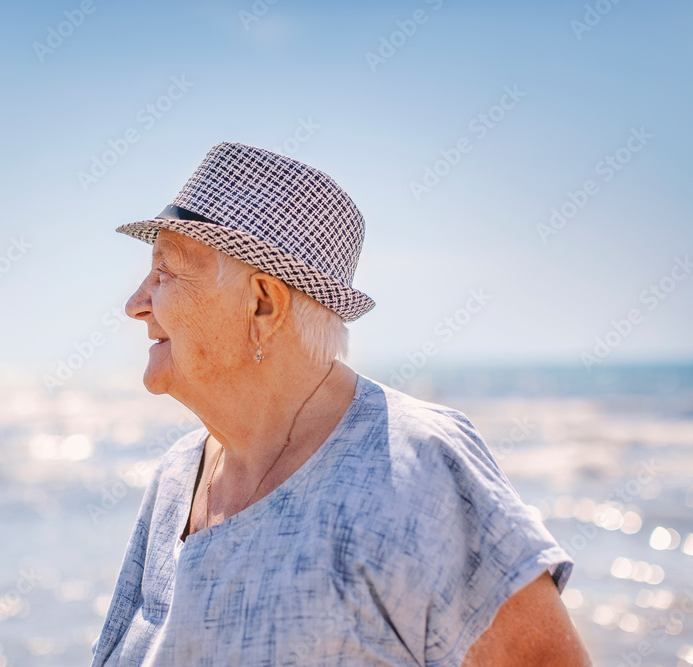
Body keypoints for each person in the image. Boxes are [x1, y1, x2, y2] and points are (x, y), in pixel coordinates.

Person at [91, 141, 592, 666]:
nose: (134, 304)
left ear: (262, 304)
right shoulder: (176, 478)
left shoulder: (415, 467)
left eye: (165, 272)